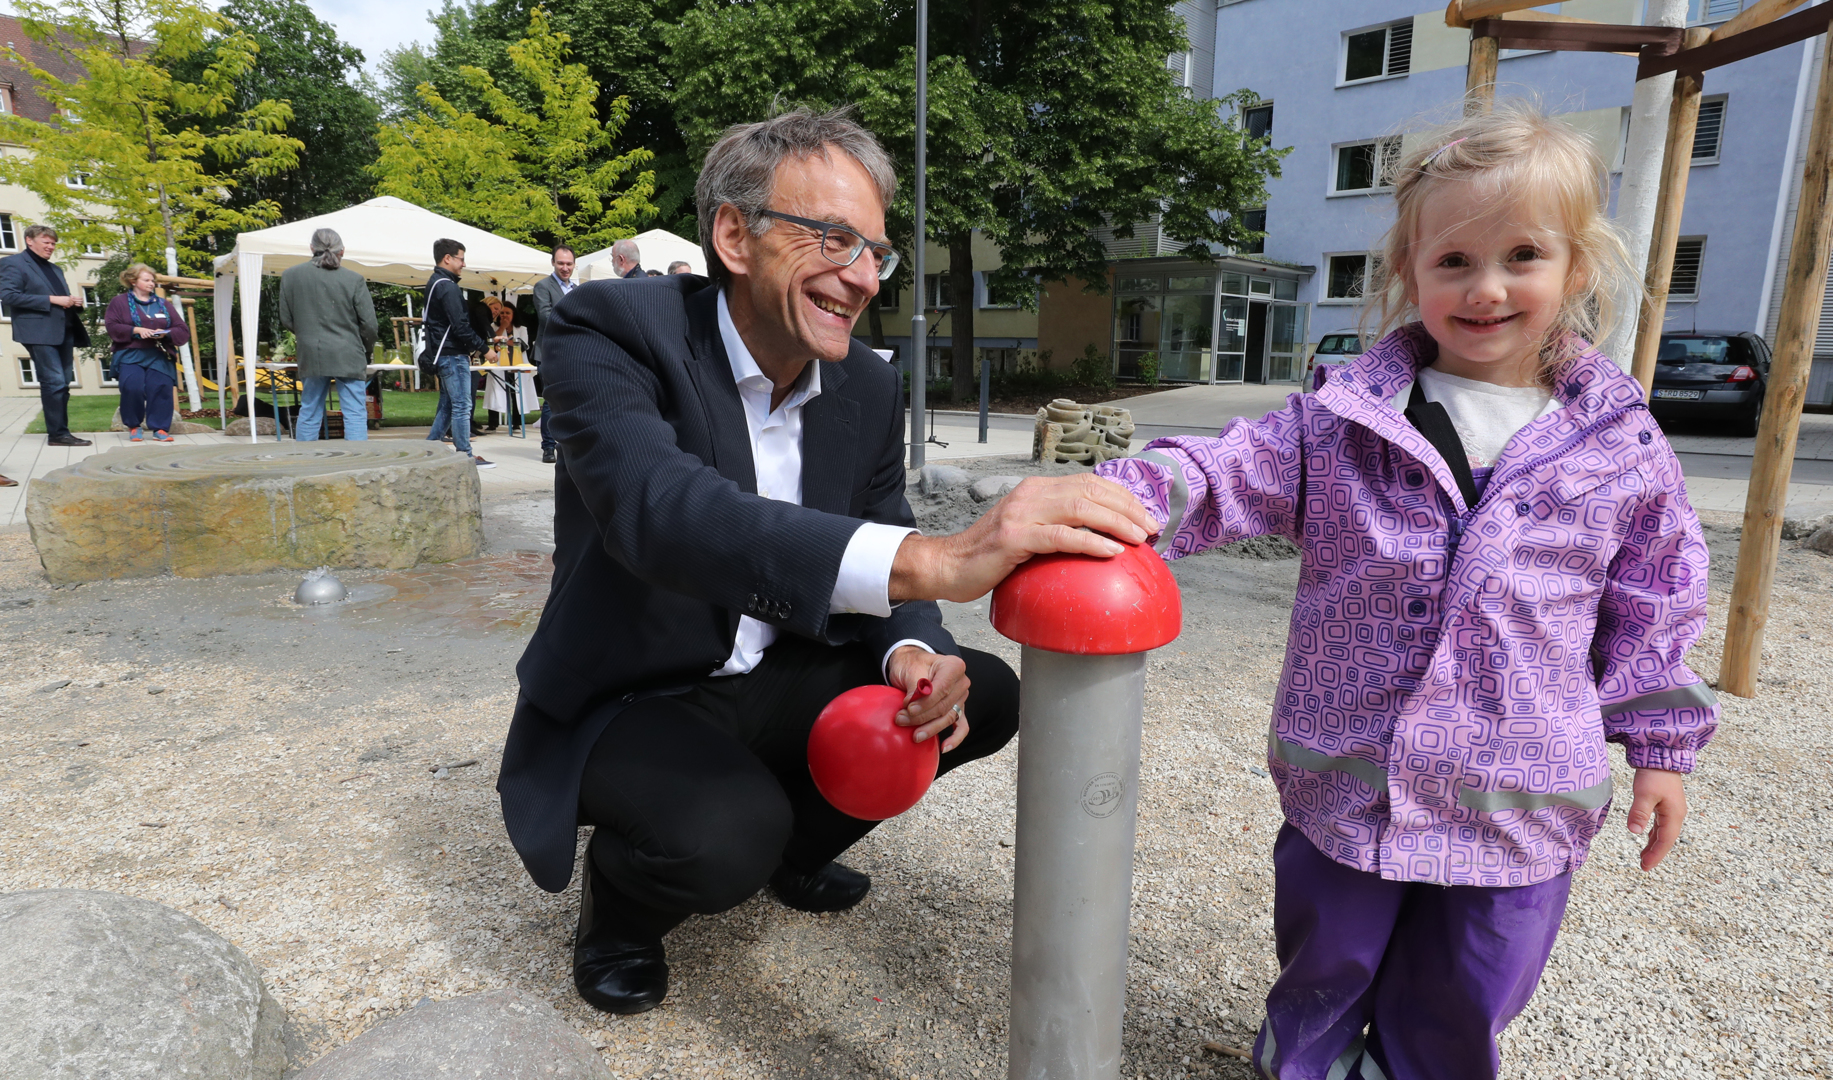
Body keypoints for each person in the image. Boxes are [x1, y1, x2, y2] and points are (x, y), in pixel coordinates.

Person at [1096, 104, 1718, 1080]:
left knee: (1466, 992)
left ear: (1577, 269)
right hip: (1351, 782)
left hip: (1520, 800)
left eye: (1522, 256)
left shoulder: (1620, 449)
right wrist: (1117, 495)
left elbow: (1657, 601)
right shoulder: (1342, 424)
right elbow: (1225, 470)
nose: (1487, 287)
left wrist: (1662, 750)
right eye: (1454, 261)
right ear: (1409, 271)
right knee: (1325, 965)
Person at [498, 107, 1154, 1018]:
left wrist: (913, 650)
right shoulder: (609, 329)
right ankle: (621, 910)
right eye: (834, 238)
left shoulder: (866, 381)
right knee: (724, 835)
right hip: (634, 689)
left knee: (981, 696)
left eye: (875, 252)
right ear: (734, 235)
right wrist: (941, 561)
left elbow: (880, 521)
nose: (862, 277)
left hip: (777, 664)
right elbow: (660, 511)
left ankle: (793, 850)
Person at [277, 229, 378, 442]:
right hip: (348, 352)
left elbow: (286, 319)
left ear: (311, 248)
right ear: (343, 251)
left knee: (309, 409)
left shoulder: (290, 276)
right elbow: (369, 325)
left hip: (311, 352)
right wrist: (366, 349)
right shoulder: (354, 279)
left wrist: (307, 334)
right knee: (354, 412)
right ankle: (358, 460)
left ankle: (306, 460)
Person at [0, 223, 92, 450]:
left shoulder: (55, 269)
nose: (51, 246)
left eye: (53, 243)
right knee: (54, 381)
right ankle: (58, 434)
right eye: (46, 242)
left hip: (64, 330)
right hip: (37, 332)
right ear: (29, 240)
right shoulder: (13, 263)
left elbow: (60, 299)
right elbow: (8, 296)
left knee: (63, 383)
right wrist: (52, 300)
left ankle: (60, 432)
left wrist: (72, 301)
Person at [421, 239, 497, 469]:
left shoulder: (435, 282)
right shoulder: (447, 286)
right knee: (462, 405)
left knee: (448, 405)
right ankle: (465, 455)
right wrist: (485, 349)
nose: (464, 264)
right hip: (453, 354)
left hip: (442, 353)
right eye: (461, 259)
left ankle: (430, 449)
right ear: (448, 258)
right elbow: (460, 327)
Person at [104, 263, 191, 442]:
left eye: (152, 280)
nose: (151, 283)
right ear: (133, 281)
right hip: (131, 353)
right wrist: (136, 330)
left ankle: (160, 429)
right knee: (132, 387)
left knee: (161, 387)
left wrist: (165, 333)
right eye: (146, 280)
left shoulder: (163, 304)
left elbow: (182, 329)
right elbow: (112, 326)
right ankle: (134, 426)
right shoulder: (119, 302)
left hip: (158, 353)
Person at [530, 244, 576, 463]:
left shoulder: (576, 288)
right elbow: (546, 316)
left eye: (569, 264)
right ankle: (548, 447)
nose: (565, 268)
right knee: (551, 401)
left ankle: (568, 444)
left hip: (573, 353)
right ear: (553, 263)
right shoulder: (543, 286)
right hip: (550, 352)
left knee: (571, 400)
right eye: (561, 263)